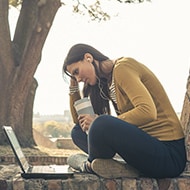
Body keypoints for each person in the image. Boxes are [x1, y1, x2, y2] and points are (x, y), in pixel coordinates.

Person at [62, 43, 187, 179]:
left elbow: (148, 111)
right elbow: (79, 121)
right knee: (78, 132)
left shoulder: (123, 68)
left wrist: (99, 122)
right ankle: (107, 166)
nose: (78, 79)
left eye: (76, 72)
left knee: (100, 123)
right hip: (145, 150)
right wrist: (73, 87)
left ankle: (87, 165)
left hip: (168, 155)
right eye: (74, 77)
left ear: (88, 58)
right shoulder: (105, 82)